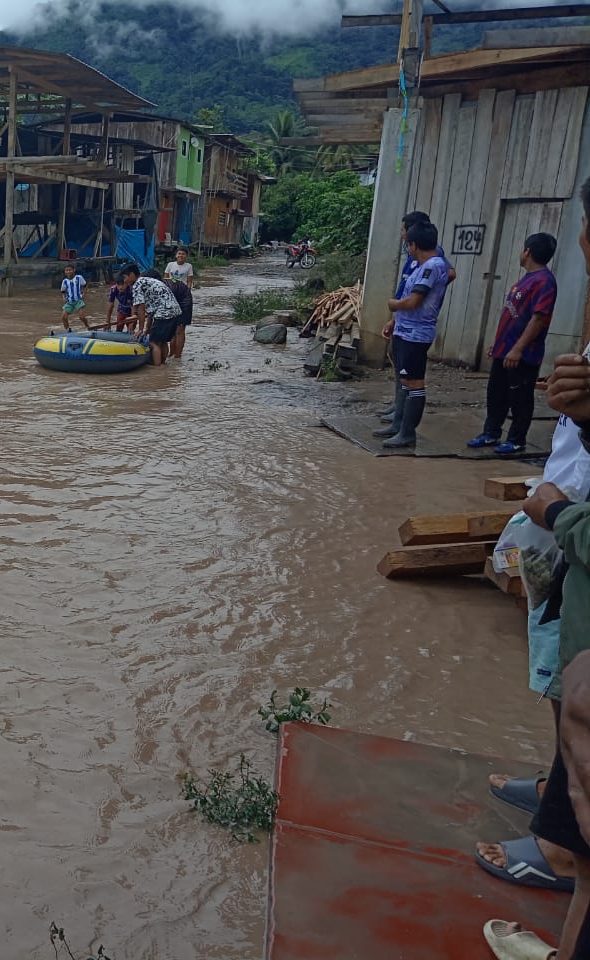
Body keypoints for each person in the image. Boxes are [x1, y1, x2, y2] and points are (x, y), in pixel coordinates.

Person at [480, 177, 590, 960]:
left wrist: (559, 513)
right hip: (567, 511)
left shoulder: (545, 288)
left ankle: (562, 840)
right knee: (560, 670)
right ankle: (559, 794)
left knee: (575, 681)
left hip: (575, 516)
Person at [467, 233, 559, 455]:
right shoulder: (526, 279)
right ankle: (491, 432)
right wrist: (498, 345)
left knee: (520, 397)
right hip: (504, 350)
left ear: (527, 252)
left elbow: (538, 319)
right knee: (496, 394)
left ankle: (517, 439)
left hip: (524, 354)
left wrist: (518, 349)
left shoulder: (544, 281)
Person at [374, 221, 451, 448]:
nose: (407, 249)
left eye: (408, 244)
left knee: (414, 383)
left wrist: (393, 305)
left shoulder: (431, 267)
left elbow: (414, 300)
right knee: (405, 381)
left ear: (414, 245)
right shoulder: (423, 265)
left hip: (416, 335)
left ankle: (407, 433)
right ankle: (399, 426)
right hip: (405, 330)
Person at [120, 264, 181, 366]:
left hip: (163, 313)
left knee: (154, 342)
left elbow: (141, 308)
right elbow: (150, 311)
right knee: (163, 341)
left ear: (131, 275)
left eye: (125, 278)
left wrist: (140, 329)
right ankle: (163, 364)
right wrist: (147, 329)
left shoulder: (137, 284)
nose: (125, 281)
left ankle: (157, 369)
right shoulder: (147, 281)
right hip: (174, 311)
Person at [59, 263, 90, 331]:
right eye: (66, 270)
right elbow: (63, 291)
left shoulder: (79, 278)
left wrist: (84, 294)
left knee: (81, 317)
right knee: (64, 317)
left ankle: (88, 327)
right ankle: (67, 330)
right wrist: (64, 298)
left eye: (70, 270)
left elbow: (85, 285)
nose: (68, 272)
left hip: (78, 300)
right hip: (69, 301)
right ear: (65, 271)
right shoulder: (65, 281)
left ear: (74, 270)